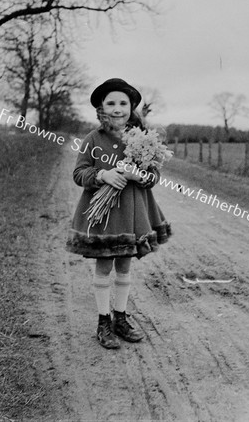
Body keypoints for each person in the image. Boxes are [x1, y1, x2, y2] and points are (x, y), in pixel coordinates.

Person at [66, 78, 171, 349]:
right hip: (105, 216)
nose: (117, 108)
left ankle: (121, 318)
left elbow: (153, 174)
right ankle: (103, 321)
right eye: (110, 103)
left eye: (122, 103)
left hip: (132, 212)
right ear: (101, 107)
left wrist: (139, 174)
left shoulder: (141, 137)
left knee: (124, 264)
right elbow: (79, 173)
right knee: (104, 264)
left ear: (131, 107)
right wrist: (103, 174)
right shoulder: (93, 138)